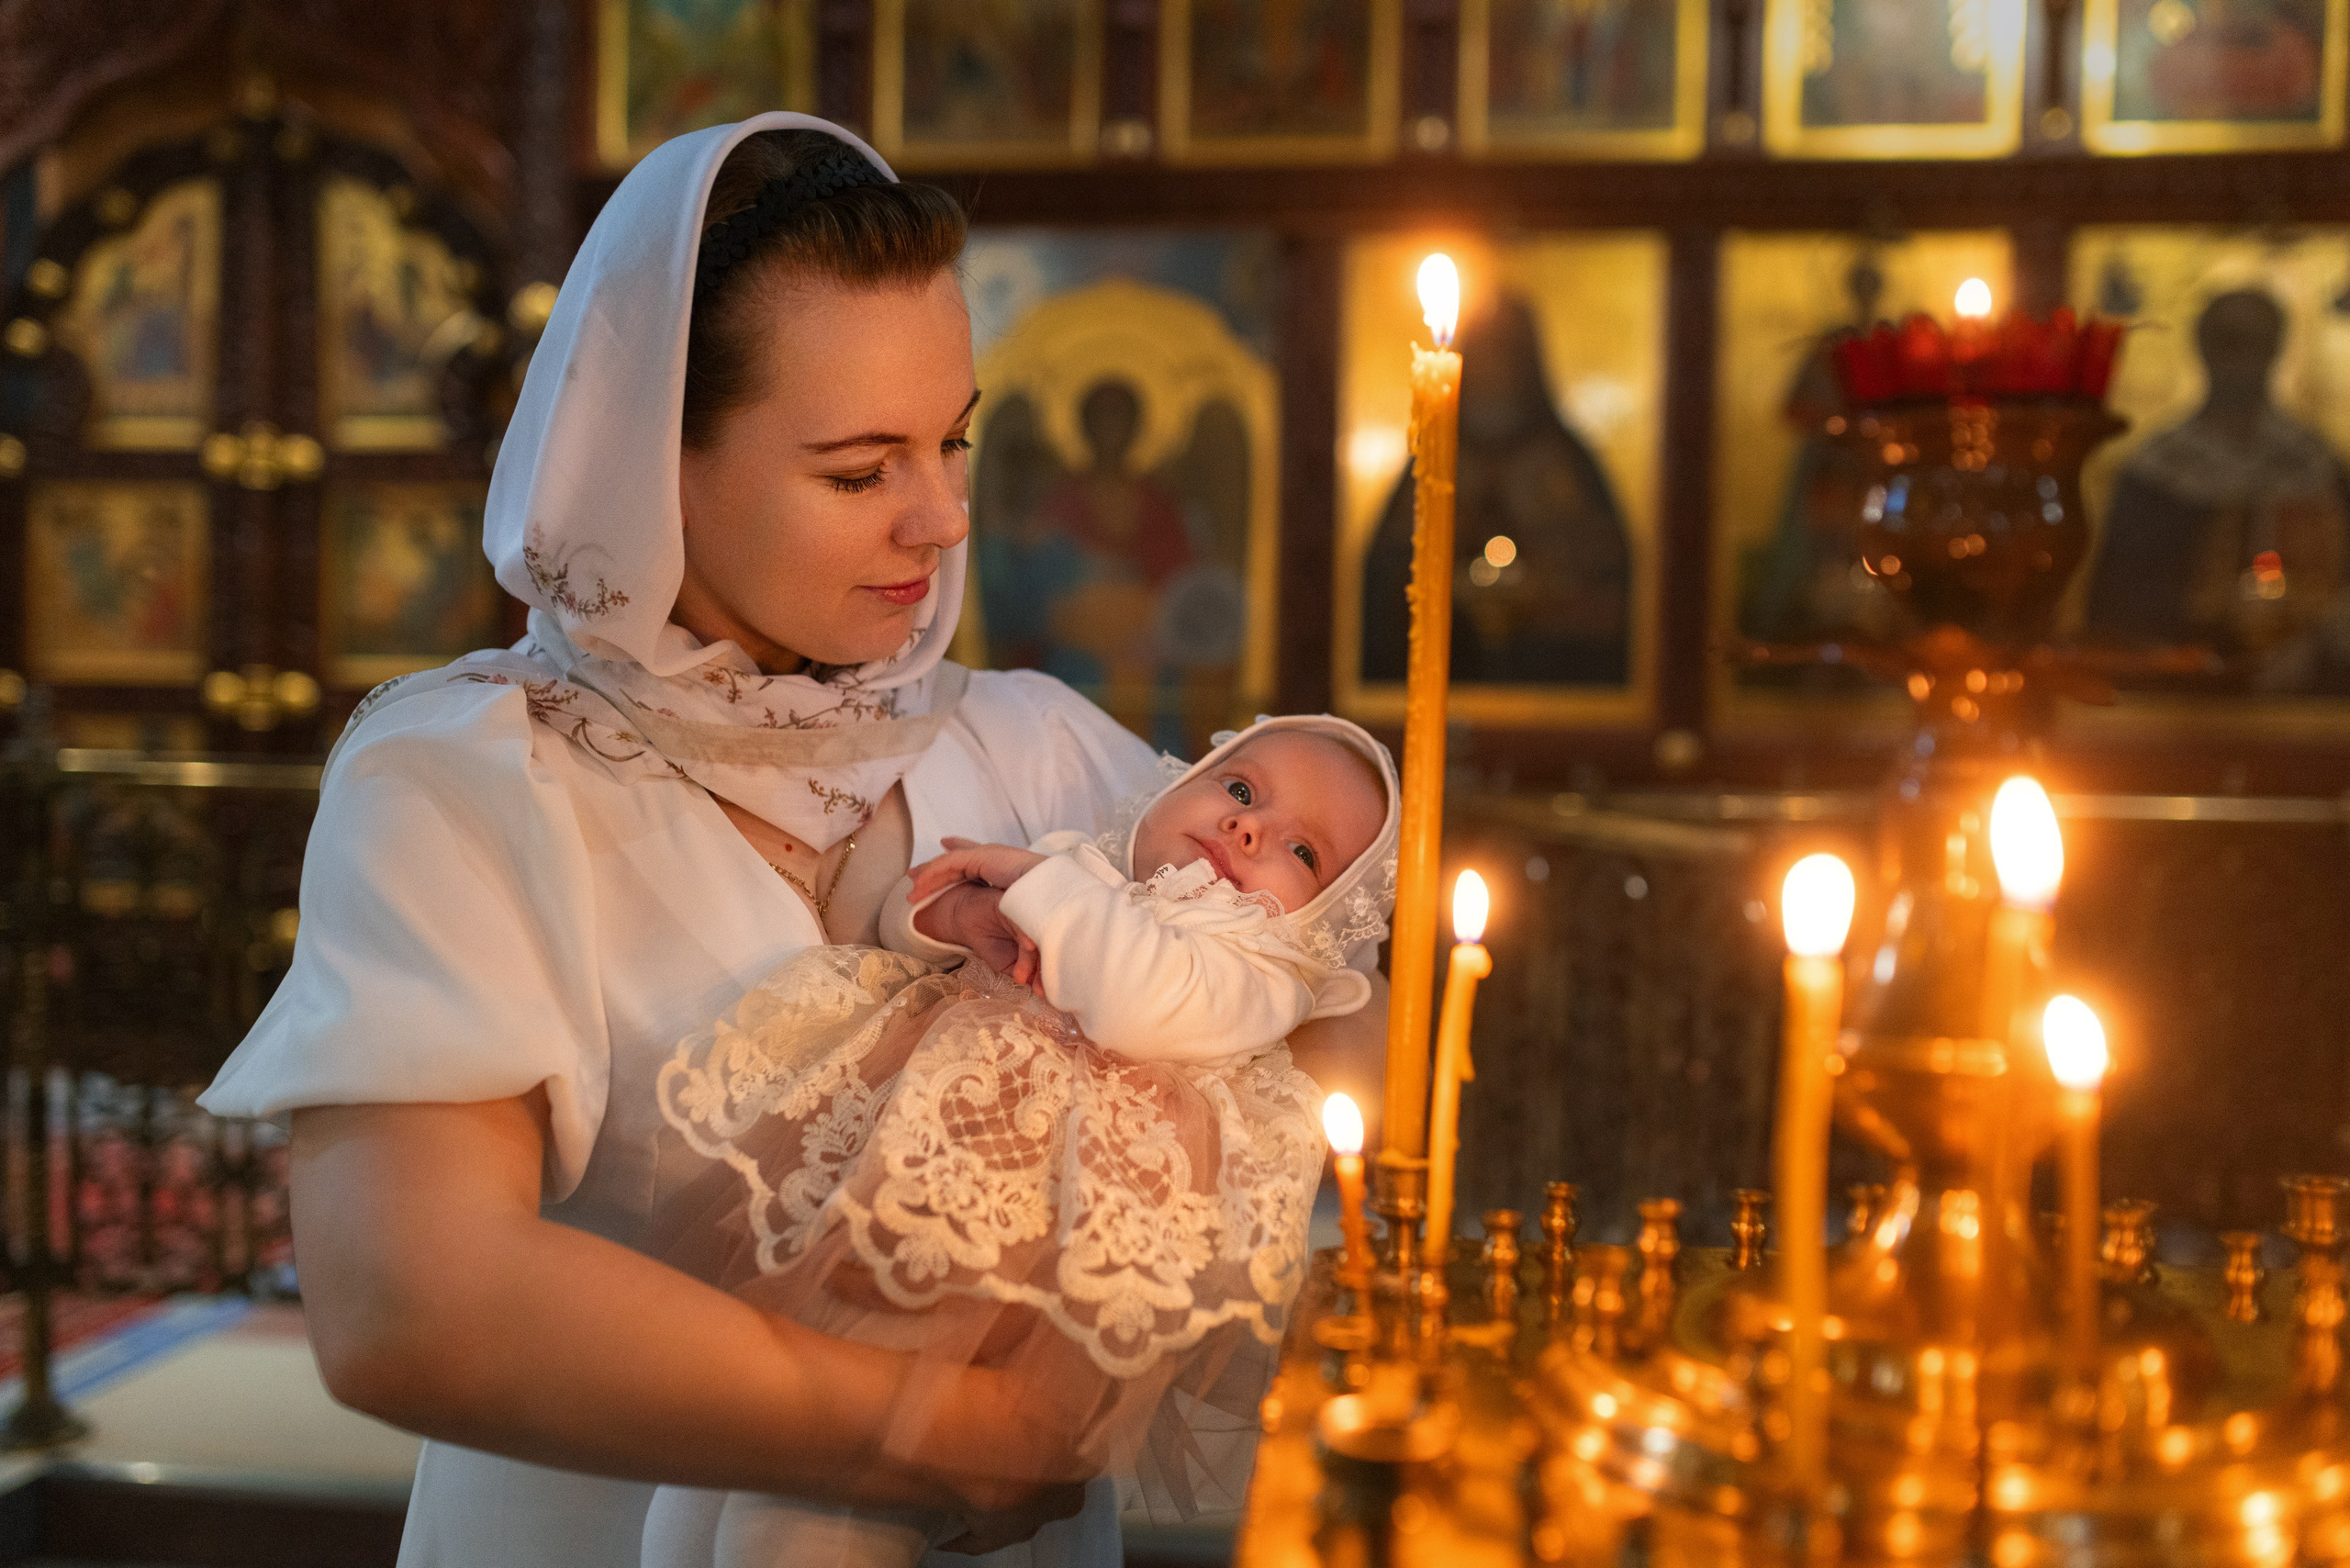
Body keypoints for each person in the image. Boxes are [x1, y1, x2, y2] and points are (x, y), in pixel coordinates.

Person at [196, 114, 1382, 1568]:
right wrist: (945, 1432)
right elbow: (410, 1305)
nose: (943, 517)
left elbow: (1328, 999)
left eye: (953, 440)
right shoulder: (471, 780)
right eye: (860, 470)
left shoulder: (1038, 747)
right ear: (651, 463)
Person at [643, 714, 1398, 1566]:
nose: (1249, 827)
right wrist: (956, 912)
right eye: (1240, 787)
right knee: (739, 1446)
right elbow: (905, 915)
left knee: (865, 1479)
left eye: (1303, 853)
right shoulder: (1082, 865)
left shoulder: (1261, 970)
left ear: (1325, 921)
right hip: (914, 1180)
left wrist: (1038, 887)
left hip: (1027, 1257)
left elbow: (1142, 1000)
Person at [2084, 287, 2350, 693]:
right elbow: (2118, 607)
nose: (2240, 358)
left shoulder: (2314, 464)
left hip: (2306, 689)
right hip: (2181, 691)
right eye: (2228, 340)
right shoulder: (2157, 469)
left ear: (2276, 349)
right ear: (2203, 348)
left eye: (2255, 342)